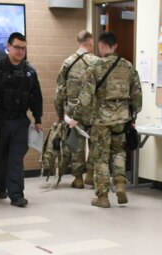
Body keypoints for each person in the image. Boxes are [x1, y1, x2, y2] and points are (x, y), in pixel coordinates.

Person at [0, 32, 43, 208]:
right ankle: (0, 186)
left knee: (16, 158)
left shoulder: (29, 71)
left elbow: (36, 96)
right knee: (0, 158)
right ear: (8, 47)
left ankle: (16, 195)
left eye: (23, 48)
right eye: (17, 47)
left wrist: (38, 118)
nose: (20, 51)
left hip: (20, 121)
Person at [81, 32, 141, 208]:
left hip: (101, 121)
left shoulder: (94, 67)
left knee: (101, 157)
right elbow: (137, 96)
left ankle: (103, 197)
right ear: (115, 46)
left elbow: (85, 98)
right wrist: (132, 116)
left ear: (100, 46)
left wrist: (82, 118)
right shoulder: (128, 67)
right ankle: (121, 184)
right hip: (122, 119)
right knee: (119, 152)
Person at [54, 30, 97, 189]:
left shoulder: (68, 62)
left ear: (78, 41)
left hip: (73, 112)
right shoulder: (97, 62)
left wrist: (59, 113)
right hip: (93, 110)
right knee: (94, 143)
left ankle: (78, 178)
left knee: (76, 145)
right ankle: (91, 175)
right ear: (90, 41)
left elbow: (59, 91)